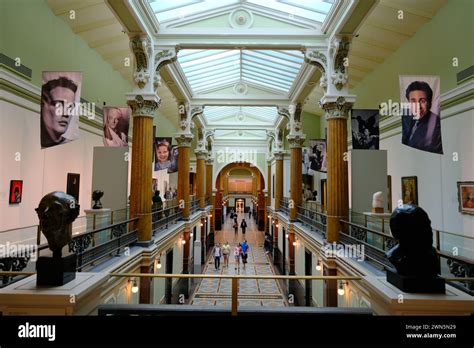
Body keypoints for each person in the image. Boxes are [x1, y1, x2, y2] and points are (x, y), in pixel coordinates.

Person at [401, 81, 443, 154]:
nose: (418, 107)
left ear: (430, 103)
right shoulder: (406, 118)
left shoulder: (436, 126)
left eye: (422, 101)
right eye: (413, 101)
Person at [40, 76, 79, 148]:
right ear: (44, 104)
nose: (66, 113)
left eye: (70, 107)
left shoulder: (71, 146)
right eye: (59, 105)